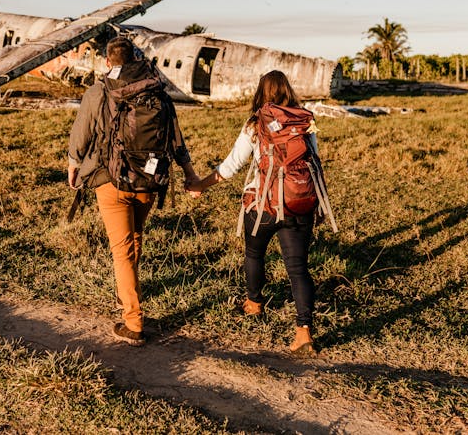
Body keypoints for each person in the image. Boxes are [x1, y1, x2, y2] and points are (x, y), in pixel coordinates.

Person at [68, 36, 199, 346]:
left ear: (107, 62)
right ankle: (124, 294)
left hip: (110, 180)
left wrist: (74, 165)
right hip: (148, 179)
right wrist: (190, 173)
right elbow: (176, 139)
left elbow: (82, 132)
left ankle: (133, 321)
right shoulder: (156, 90)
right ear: (136, 58)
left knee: (122, 251)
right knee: (135, 239)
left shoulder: (99, 90)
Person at [186, 70, 320, 356]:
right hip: (299, 203)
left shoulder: (254, 125)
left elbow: (230, 166)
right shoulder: (304, 122)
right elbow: (315, 165)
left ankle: (254, 303)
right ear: (288, 91)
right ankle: (303, 331)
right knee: (298, 268)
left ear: (261, 93)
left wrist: (200, 185)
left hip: (263, 207)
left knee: (254, 254)